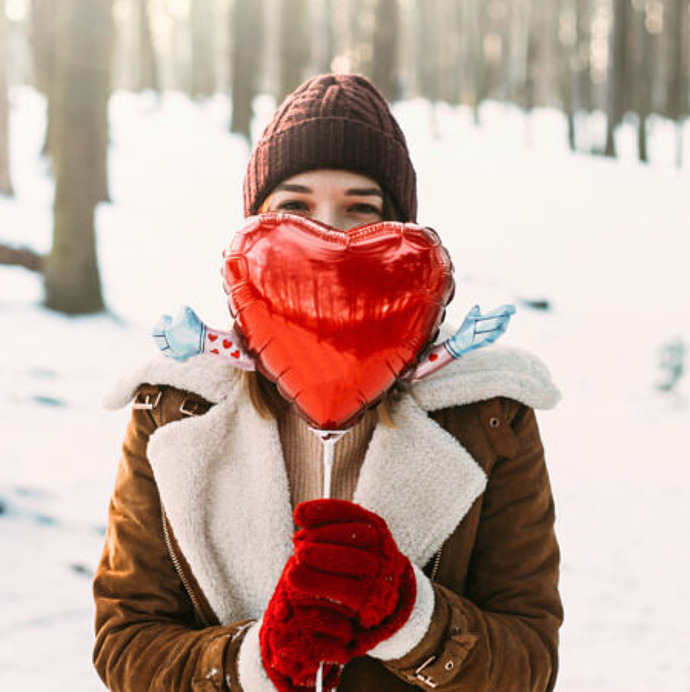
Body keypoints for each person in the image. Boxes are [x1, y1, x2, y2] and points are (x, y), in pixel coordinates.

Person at [93, 74, 563, 692]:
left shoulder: (488, 414)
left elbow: (530, 657)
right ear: (254, 224)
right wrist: (248, 662)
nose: (329, 236)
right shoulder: (175, 406)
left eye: (361, 208)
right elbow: (126, 638)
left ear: (400, 230)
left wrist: (412, 619)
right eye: (295, 206)